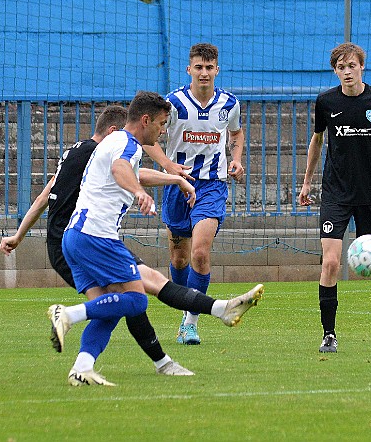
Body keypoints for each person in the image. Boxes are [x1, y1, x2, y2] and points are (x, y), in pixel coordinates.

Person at [41, 91, 262, 386]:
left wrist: (176, 178)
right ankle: (67, 314)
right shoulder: (127, 144)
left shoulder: (116, 142)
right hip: (98, 239)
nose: (162, 131)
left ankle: (82, 367)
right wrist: (138, 192)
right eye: (161, 124)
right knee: (135, 301)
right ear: (145, 120)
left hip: (76, 238)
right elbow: (123, 170)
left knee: (111, 307)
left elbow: (134, 171)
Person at [298, 42, 371, 354]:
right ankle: (328, 335)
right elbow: (317, 141)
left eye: (352, 65)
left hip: (370, 196)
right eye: (341, 67)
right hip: (335, 194)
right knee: (331, 262)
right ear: (335, 70)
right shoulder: (325, 101)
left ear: (362, 67)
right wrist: (307, 182)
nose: (347, 71)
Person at [144, 43, 245, 346]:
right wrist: (167, 166)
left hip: (211, 186)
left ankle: (190, 321)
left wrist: (236, 158)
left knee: (200, 252)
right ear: (189, 69)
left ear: (217, 70)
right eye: (198, 67)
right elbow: (149, 139)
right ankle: (185, 305)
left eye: (209, 67)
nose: (204, 73)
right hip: (178, 185)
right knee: (179, 256)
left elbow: (236, 133)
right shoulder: (173, 104)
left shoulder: (229, 103)